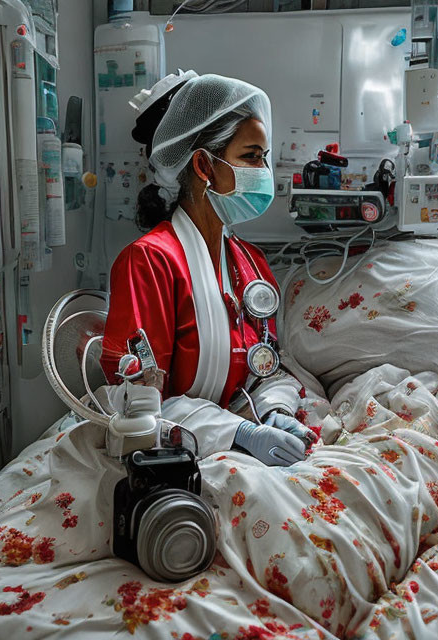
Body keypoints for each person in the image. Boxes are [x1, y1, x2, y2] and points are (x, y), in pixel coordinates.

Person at [99, 72, 312, 466]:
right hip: (174, 452)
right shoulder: (149, 262)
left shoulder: (250, 263)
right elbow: (138, 406)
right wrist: (240, 434)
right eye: (251, 157)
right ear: (203, 165)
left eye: (263, 158)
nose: (264, 172)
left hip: (232, 430)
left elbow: (263, 367)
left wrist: (274, 411)